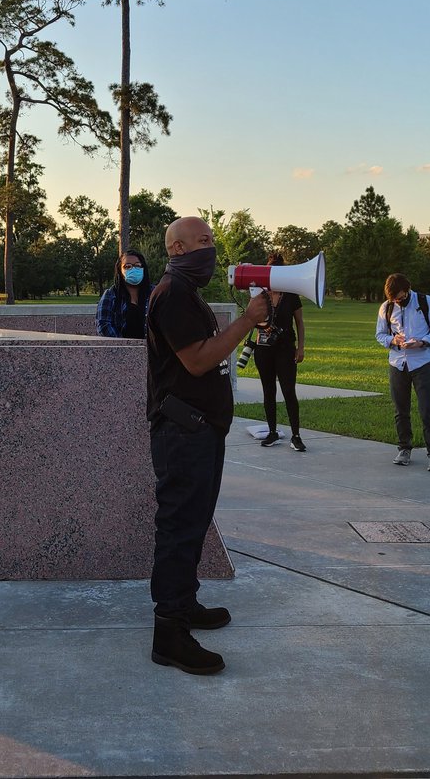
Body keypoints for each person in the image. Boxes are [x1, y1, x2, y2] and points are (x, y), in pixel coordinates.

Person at [146, 216, 269, 674]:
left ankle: (185, 603)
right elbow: (197, 360)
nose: (211, 248)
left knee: (193, 522)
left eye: (212, 240)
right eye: (202, 241)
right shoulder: (172, 294)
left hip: (198, 429)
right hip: (183, 432)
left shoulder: (186, 292)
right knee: (179, 527)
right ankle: (169, 632)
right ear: (177, 250)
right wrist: (247, 321)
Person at [375, 273, 430, 471]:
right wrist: (393, 341)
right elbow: (380, 334)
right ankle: (404, 448)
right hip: (398, 363)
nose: (397, 301)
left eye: (400, 297)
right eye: (393, 299)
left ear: (407, 290)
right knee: (400, 410)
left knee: (427, 409)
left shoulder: (425, 302)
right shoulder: (386, 307)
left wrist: (422, 342)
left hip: (422, 361)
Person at [253, 251, 307, 451]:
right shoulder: (260, 294)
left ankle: (296, 435)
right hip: (263, 349)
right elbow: (252, 318)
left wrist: (300, 347)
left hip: (285, 349)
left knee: (288, 391)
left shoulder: (291, 295)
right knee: (268, 391)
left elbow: (299, 323)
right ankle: (272, 431)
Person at [96, 250, 154, 338]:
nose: (133, 269)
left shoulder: (154, 292)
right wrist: (124, 345)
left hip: (152, 348)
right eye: (127, 266)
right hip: (121, 348)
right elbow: (103, 325)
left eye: (137, 265)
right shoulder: (111, 295)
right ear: (120, 270)